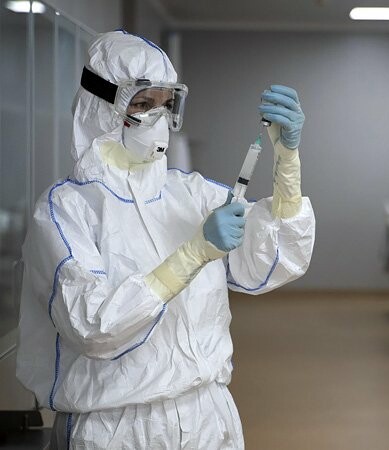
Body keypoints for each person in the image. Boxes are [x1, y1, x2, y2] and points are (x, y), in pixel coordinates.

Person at [16, 30, 315, 449]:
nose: (157, 118)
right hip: (115, 427)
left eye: (165, 104)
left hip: (207, 416)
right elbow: (93, 326)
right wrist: (193, 254)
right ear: (103, 108)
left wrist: (287, 162)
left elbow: (276, 256)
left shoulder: (189, 193)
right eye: (142, 104)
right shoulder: (66, 209)